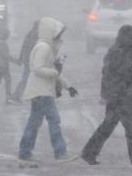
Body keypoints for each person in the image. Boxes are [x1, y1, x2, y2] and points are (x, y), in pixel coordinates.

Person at [80, 25, 132, 166]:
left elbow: (121, 75)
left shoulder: (120, 52)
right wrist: (119, 95)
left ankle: (89, 152)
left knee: (109, 125)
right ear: (129, 40)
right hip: (120, 97)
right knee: (129, 127)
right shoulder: (119, 54)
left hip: (118, 96)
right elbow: (114, 76)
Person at [17, 17, 78, 166]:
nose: (59, 37)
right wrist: (54, 73)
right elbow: (38, 68)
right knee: (54, 120)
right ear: (50, 32)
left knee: (34, 122)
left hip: (40, 91)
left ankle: (25, 152)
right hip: (41, 91)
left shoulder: (46, 47)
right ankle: (60, 152)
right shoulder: (44, 47)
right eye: (57, 33)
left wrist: (68, 86)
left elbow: (54, 70)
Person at [14, 20, 39, 101]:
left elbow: (24, 47)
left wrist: (21, 59)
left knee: (29, 78)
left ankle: (34, 96)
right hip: (31, 61)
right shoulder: (35, 35)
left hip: (28, 60)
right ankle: (16, 96)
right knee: (27, 79)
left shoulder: (29, 34)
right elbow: (33, 48)